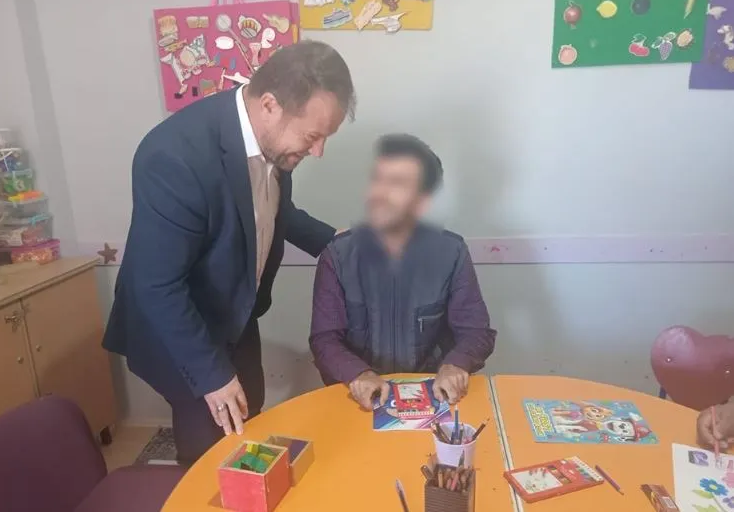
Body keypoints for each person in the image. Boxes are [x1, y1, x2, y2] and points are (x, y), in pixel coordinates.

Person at [103, 41, 356, 465]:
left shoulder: (273, 144)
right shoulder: (174, 156)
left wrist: (336, 242)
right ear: (270, 105)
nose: (318, 152)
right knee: (212, 446)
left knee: (249, 412)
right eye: (312, 136)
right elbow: (156, 286)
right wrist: (212, 377)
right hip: (178, 325)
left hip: (233, 313)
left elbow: (273, 210)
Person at [309, 134, 497, 410]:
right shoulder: (338, 255)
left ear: (424, 200)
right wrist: (358, 374)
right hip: (360, 402)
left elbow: (476, 331)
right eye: (377, 180)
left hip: (434, 399)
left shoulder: (452, 253)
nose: (380, 193)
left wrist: (456, 365)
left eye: (397, 183)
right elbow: (324, 339)